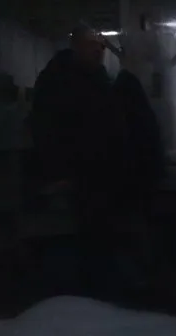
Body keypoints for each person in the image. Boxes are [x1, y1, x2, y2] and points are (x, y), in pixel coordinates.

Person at [30, 25, 130, 294]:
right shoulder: (61, 80)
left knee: (96, 234)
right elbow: (46, 127)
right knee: (85, 236)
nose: (99, 50)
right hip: (79, 174)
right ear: (76, 47)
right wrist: (58, 171)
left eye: (100, 46)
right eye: (92, 45)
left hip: (95, 172)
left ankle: (94, 291)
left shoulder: (93, 78)